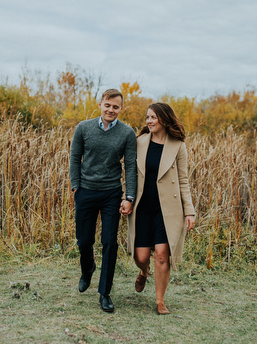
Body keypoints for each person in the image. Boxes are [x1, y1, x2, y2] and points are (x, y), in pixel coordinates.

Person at [69, 88, 137, 313]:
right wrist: (76, 186)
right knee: (84, 240)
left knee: (109, 242)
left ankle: (104, 293)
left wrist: (129, 196)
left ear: (121, 109)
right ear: (100, 104)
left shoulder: (127, 133)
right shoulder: (83, 128)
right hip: (86, 191)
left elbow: (129, 166)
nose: (111, 110)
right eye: (107, 105)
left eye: (116, 107)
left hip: (111, 193)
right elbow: (74, 158)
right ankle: (87, 269)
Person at [124, 102, 196, 315]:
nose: (149, 121)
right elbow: (129, 173)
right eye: (147, 117)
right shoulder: (139, 142)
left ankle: (160, 301)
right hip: (143, 207)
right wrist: (126, 198)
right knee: (141, 256)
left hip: (168, 210)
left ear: (164, 119)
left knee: (163, 254)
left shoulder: (178, 145)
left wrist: (189, 211)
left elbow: (183, 180)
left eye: (153, 117)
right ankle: (144, 272)